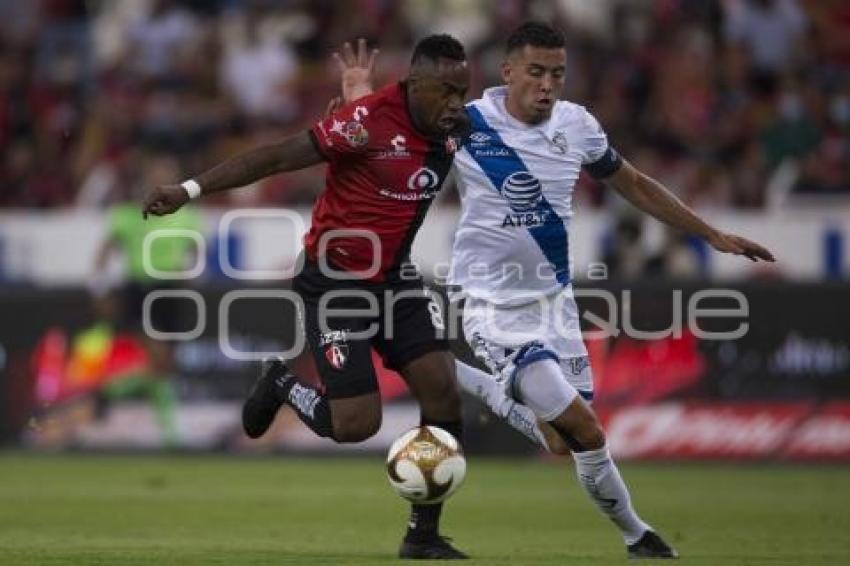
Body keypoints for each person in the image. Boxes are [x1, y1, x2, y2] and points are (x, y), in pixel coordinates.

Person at [337, 23, 775, 560]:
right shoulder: (467, 123)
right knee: (588, 432)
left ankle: (454, 372)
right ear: (508, 73)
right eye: (537, 73)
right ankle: (641, 538)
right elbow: (387, 142)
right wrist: (359, 98)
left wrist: (711, 233)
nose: (548, 85)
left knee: (559, 441)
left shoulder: (578, 125)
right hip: (491, 306)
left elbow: (633, 183)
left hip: (555, 304)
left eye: (558, 74)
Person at [142, 35, 472, 560]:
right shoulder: (365, 121)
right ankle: (280, 382)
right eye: (447, 91)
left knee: (443, 391)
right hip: (335, 279)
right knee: (355, 424)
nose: (456, 103)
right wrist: (188, 190)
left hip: (395, 279)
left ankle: (423, 535)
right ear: (414, 84)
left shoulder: (458, 128)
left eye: (463, 91)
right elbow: (275, 156)